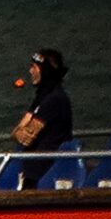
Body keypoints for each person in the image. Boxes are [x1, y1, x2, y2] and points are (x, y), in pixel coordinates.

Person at [12, 49, 74, 187]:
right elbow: (16, 133)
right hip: (32, 171)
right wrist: (20, 131)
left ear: (44, 70)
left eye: (34, 67)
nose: (30, 71)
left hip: (45, 172)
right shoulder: (41, 98)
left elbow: (27, 137)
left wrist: (22, 131)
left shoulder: (55, 99)